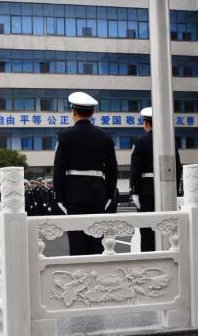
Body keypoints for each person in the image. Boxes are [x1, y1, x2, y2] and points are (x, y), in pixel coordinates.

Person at [53, 92, 118, 256]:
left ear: (73, 112)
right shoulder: (105, 136)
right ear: (92, 112)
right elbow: (112, 168)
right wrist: (109, 194)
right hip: (98, 193)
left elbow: (59, 168)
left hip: (73, 193)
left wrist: (59, 196)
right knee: (96, 241)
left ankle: (78, 272)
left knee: (77, 241)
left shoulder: (64, 136)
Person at [130, 106, 182, 252]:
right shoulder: (170, 142)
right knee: (166, 229)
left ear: (146, 123)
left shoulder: (140, 141)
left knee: (147, 231)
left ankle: (149, 259)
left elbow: (135, 169)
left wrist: (135, 191)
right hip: (166, 190)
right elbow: (177, 168)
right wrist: (175, 191)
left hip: (146, 192)